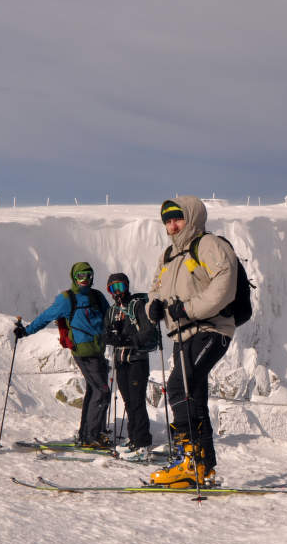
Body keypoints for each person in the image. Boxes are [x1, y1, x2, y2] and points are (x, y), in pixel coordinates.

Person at [146, 197, 237, 487]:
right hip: (183, 334)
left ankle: (189, 459)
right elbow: (156, 290)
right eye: (168, 221)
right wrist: (154, 307)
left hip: (211, 329)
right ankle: (204, 466)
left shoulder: (208, 245)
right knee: (192, 394)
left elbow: (225, 281)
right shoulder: (169, 255)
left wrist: (188, 309)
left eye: (178, 219)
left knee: (178, 386)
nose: (172, 226)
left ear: (192, 218)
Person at [14, 262, 112, 447]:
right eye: (81, 276)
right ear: (74, 277)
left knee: (94, 390)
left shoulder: (97, 296)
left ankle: (88, 434)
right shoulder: (67, 299)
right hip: (83, 352)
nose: (85, 279)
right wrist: (26, 331)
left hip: (98, 350)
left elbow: (109, 317)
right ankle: (91, 436)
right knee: (101, 391)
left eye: (88, 275)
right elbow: (46, 317)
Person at [103, 272, 153, 456]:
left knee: (137, 401)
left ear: (127, 286)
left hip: (137, 360)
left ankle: (142, 442)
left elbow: (148, 331)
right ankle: (134, 438)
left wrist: (128, 339)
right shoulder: (112, 311)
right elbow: (104, 333)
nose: (117, 292)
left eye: (120, 287)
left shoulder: (136, 306)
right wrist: (112, 337)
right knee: (128, 401)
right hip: (121, 361)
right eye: (112, 288)